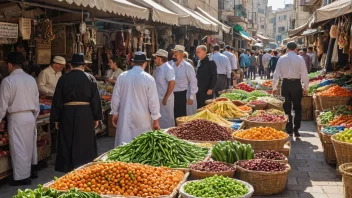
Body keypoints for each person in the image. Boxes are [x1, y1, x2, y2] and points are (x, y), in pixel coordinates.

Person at [51, 53, 103, 172]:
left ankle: (67, 167)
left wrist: (56, 119)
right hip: (85, 113)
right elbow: (95, 99)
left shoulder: (63, 78)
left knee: (67, 139)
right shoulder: (90, 78)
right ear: (84, 65)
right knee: (84, 140)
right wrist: (96, 117)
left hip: (67, 113)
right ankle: (84, 166)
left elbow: (57, 99)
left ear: (70, 65)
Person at [0, 52, 39, 186]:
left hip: (16, 117)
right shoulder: (31, 79)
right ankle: (28, 173)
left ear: (10, 65)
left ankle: (21, 178)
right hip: (30, 116)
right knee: (28, 146)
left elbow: (2, 106)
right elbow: (37, 102)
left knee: (18, 148)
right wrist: (33, 117)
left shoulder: (8, 81)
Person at [111, 51, 160, 146]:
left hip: (125, 115)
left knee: (124, 145)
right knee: (142, 146)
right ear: (145, 63)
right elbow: (153, 101)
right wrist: (156, 120)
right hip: (142, 118)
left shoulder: (122, 77)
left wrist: (115, 113)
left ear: (133, 63)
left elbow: (116, 97)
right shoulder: (149, 79)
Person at [272, 42, 309, 137]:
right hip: (296, 84)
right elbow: (305, 74)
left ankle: (289, 129)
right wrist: (306, 87)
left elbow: (276, 74)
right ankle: (296, 129)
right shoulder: (300, 58)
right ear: (296, 48)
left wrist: (274, 87)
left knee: (286, 108)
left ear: (287, 48)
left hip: (285, 84)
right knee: (297, 108)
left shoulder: (281, 58)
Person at [171, 45, 198, 119]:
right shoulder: (171, 65)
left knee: (182, 116)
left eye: (175, 54)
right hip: (172, 95)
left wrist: (191, 97)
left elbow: (193, 82)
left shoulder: (187, 66)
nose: (174, 56)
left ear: (182, 55)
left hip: (182, 95)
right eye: (173, 54)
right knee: (173, 116)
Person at [153, 49, 176, 129]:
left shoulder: (168, 68)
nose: (154, 60)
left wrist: (166, 97)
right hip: (158, 99)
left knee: (167, 120)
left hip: (165, 99)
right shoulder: (157, 69)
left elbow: (172, 83)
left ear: (159, 58)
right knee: (160, 120)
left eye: (155, 58)